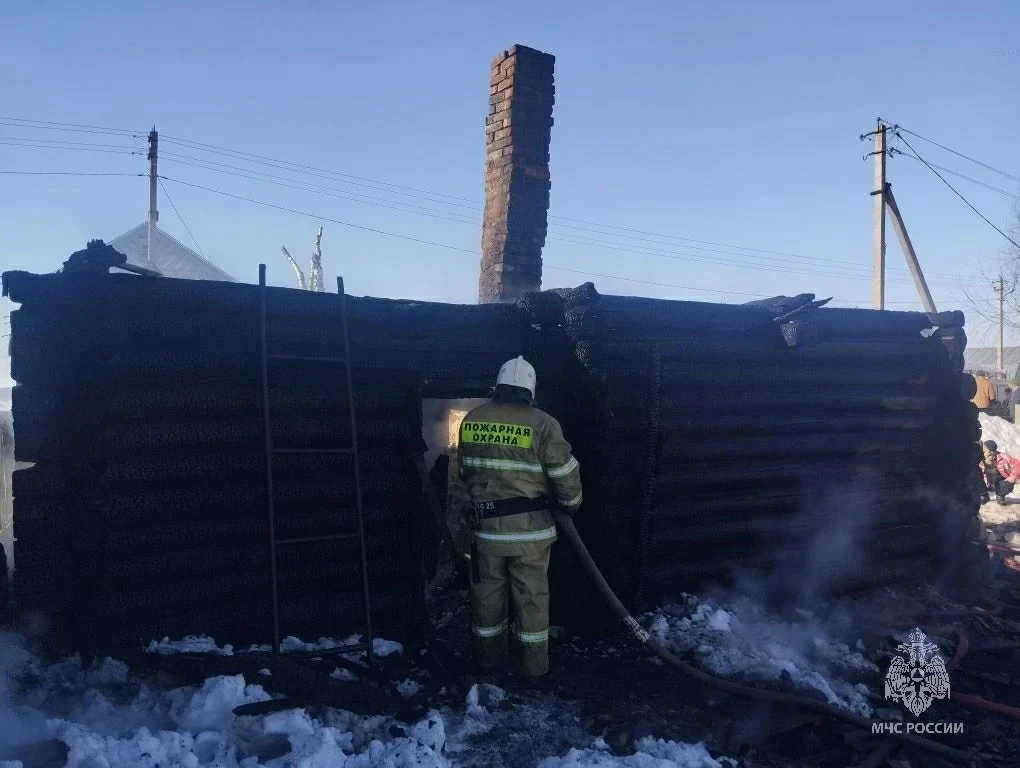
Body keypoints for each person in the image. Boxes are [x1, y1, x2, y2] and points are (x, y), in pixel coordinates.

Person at [457, 356, 583, 687]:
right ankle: (532, 670)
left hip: (486, 533)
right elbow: (565, 476)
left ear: (498, 386)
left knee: (487, 598)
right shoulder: (543, 424)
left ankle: (487, 662)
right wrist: (570, 505)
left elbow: (465, 471)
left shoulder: (472, 419)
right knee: (531, 599)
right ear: (530, 389)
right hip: (531, 535)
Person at [981, 440, 1020, 505]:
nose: (987, 454)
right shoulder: (978, 458)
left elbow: (1018, 464)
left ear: (995, 452)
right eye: (985, 451)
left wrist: (1014, 476)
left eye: (990, 452)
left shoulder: (1003, 457)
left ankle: (1000, 495)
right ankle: (983, 496)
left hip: (1000, 482)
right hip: (984, 483)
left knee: (1008, 485)